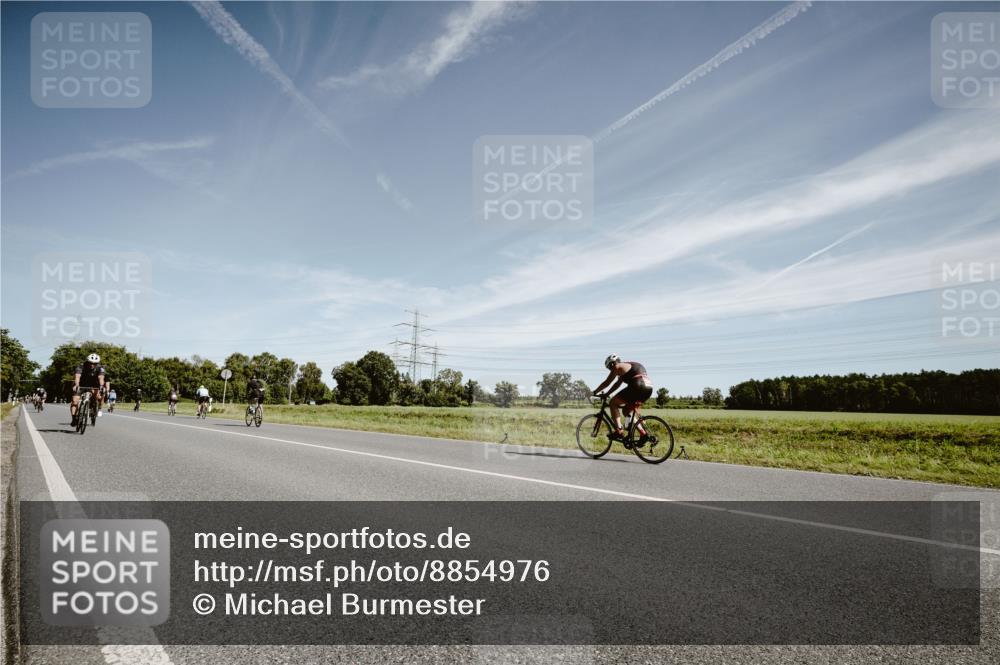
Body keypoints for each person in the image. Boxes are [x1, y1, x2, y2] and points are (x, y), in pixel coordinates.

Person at [592, 354, 653, 440]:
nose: (610, 370)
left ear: (612, 363)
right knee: (626, 411)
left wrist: (595, 392)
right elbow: (616, 385)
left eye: (609, 367)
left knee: (613, 403)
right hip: (648, 388)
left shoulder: (617, 366)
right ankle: (643, 434)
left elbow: (607, 382)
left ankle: (619, 431)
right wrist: (607, 394)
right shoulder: (626, 367)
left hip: (637, 385)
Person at [71, 353, 105, 427]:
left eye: (94, 363)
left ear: (97, 363)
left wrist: (101, 386)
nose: (92, 365)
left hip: (93, 385)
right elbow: (77, 377)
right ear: (87, 362)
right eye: (90, 363)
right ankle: (74, 418)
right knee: (74, 401)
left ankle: (95, 408)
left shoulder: (100, 368)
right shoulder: (81, 366)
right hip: (81, 384)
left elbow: (101, 378)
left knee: (98, 396)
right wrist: (76, 385)